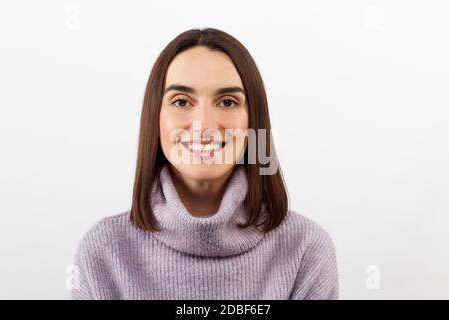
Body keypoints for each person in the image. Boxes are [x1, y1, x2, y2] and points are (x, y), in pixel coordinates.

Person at [70, 27, 339, 300]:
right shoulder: (103, 251)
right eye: (182, 101)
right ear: (156, 119)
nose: (204, 125)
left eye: (227, 102)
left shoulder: (305, 249)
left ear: (253, 122)